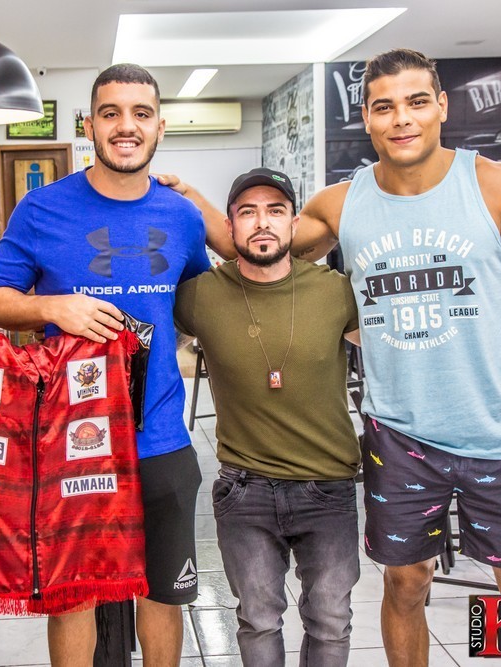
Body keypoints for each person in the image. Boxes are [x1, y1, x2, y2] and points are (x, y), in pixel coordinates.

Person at [172, 48, 501, 667]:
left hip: (497, 430)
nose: (402, 118)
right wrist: (185, 195)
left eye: (416, 102)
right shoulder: (343, 204)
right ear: (368, 120)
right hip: (398, 436)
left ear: (441, 106)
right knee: (405, 584)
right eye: (384, 107)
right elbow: (261, 245)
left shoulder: (497, 184)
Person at [0, 63, 210, 667]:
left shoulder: (183, 216)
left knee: (164, 595)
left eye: (141, 113)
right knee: (73, 596)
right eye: (111, 113)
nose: (126, 126)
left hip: (159, 435)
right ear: (90, 125)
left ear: (159, 127)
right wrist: (52, 306)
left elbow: (199, 303)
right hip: (73, 439)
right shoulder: (42, 208)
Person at [174, 167, 362, 666]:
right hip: (245, 488)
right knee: (257, 620)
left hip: (328, 484)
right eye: (248, 212)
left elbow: (400, 343)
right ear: (229, 227)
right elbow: (144, 330)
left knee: (331, 620)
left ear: (294, 223)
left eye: (275, 211)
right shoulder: (200, 294)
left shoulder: (336, 291)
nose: (262, 222)